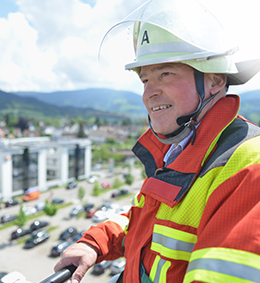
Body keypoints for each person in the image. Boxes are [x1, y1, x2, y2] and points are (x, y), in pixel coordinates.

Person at [54, 0, 260, 282]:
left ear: (213, 80)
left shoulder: (249, 165)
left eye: (165, 73)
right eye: (144, 80)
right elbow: (144, 224)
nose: (149, 93)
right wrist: (95, 242)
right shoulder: (178, 152)